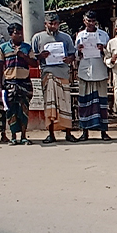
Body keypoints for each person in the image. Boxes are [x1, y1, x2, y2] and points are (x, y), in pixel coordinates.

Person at [32, 12, 77, 144]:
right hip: (48, 74)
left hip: (63, 73)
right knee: (50, 105)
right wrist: (41, 56)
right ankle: (50, 133)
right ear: (45, 24)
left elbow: (72, 55)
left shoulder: (66, 37)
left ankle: (68, 132)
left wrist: (69, 59)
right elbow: (33, 56)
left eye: (56, 23)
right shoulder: (38, 38)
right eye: (50, 23)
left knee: (65, 104)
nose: (53, 26)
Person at [75, 11, 113, 140]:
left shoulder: (103, 35)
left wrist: (103, 49)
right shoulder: (80, 35)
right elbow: (76, 56)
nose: (91, 24)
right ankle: (85, 132)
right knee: (85, 102)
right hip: (85, 72)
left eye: (93, 21)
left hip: (99, 71)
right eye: (88, 21)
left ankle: (103, 131)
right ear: (84, 21)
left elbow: (109, 55)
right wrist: (79, 51)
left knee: (101, 102)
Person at [0, 23, 34, 144]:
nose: (19, 35)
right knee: (10, 110)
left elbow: (34, 63)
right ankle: (13, 137)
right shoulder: (3, 48)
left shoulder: (27, 47)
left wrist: (23, 56)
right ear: (10, 34)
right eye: (16, 33)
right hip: (9, 82)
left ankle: (24, 136)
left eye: (20, 33)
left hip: (24, 82)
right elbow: (0, 67)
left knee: (24, 109)